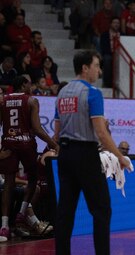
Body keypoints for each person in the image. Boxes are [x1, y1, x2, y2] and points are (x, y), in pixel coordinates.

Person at [54, 50, 129, 255]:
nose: (99, 70)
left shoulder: (62, 93)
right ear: (85, 68)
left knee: (65, 212)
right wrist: (120, 156)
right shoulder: (93, 93)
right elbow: (101, 134)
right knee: (102, 209)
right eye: (96, 65)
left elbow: (57, 132)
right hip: (85, 154)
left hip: (65, 155)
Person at [0, 75, 59, 241]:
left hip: (8, 144)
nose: (31, 87)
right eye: (30, 83)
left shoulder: (2, 101)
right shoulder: (31, 101)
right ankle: (21, 213)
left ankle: (4, 226)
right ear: (24, 85)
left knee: (8, 184)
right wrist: (54, 144)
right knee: (34, 180)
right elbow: (38, 129)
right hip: (26, 144)